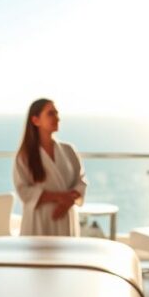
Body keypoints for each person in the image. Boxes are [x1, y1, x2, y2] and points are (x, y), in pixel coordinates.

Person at [13, 98, 87, 236]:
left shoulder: (69, 150)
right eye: (50, 113)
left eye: (57, 113)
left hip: (65, 216)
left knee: (66, 256)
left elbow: (80, 182)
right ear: (35, 120)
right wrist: (59, 197)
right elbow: (23, 190)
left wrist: (67, 202)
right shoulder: (25, 156)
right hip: (39, 220)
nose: (57, 118)